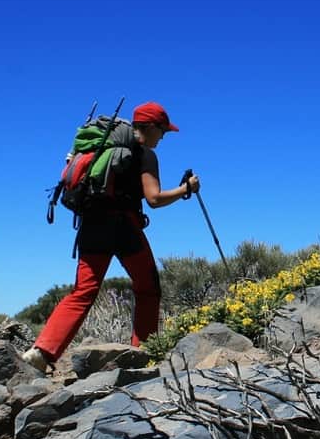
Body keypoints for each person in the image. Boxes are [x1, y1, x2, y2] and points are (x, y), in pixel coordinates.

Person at [22, 101, 200, 370]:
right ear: (150, 127)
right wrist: (185, 188)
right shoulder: (144, 154)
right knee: (148, 288)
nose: (163, 137)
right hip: (123, 227)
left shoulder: (97, 148)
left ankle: (42, 351)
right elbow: (153, 199)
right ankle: (145, 352)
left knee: (83, 291)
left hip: (91, 224)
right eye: (162, 131)